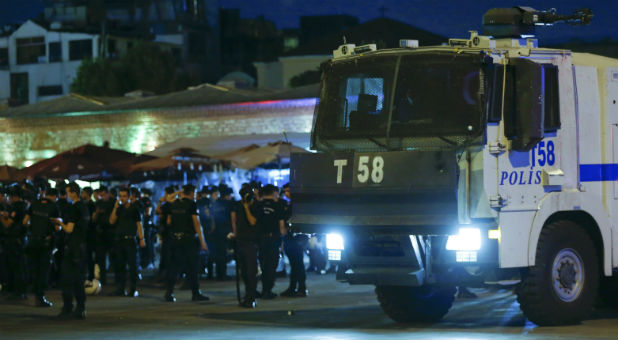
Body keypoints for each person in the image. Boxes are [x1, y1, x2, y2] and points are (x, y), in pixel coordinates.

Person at [164, 184, 209, 302]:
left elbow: (167, 200)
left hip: (175, 239)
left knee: (174, 267)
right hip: (188, 240)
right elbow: (197, 224)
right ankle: (196, 293)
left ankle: (169, 292)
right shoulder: (192, 205)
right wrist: (202, 241)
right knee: (192, 267)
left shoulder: (174, 203)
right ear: (192, 193)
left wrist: (179, 191)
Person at [54, 183, 90, 320]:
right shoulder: (85, 207)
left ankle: (68, 307)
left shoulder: (74, 208)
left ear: (74, 193)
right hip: (82, 247)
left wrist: (60, 223)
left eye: (68, 192)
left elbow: (69, 229)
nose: (67, 195)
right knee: (78, 280)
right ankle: (80, 308)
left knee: (67, 279)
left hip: (73, 247)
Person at [23, 188, 60, 307]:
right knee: (43, 270)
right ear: (54, 196)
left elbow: (25, 222)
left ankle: (33, 293)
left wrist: (33, 229)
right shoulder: (54, 207)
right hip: (45, 242)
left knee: (34, 268)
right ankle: (40, 297)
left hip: (33, 241)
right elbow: (57, 227)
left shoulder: (34, 204)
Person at [109, 187, 146, 297]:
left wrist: (141, 238)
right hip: (120, 240)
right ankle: (121, 288)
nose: (122, 198)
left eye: (124, 196)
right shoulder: (119, 208)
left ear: (129, 197)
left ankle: (133, 289)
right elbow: (111, 221)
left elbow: (139, 224)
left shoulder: (135, 209)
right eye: (120, 196)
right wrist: (115, 208)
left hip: (131, 240)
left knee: (132, 266)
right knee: (120, 266)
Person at [254, 184, 286, 300]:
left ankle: (262, 289)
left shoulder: (258, 205)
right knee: (271, 265)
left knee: (263, 264)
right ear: (274, 193)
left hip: (260, 239)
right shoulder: (277, 205)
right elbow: (281, 224)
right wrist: (283, 235)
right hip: (273, 239)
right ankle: (267, 290)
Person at [229, 184, 259, 308]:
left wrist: (247, 207)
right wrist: (235, 235)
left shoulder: (255, 206)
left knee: (251, 271)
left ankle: (251, 297)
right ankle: (247, 294)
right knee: (244, 272)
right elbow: (233, 221)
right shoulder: (236, 205)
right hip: (240, 240)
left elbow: (252, 221)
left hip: (251, 242)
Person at [279, 183, 308, 298]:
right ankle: (294, 287)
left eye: (288, 190)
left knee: (298, 264)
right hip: (291, 239)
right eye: (285, 191)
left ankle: (301, 288)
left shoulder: (297, 206)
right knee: (295, 264)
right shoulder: (290, 204)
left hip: (296, 238)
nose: (287, 193)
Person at [0, 186, 28, 299]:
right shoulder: (24, 206)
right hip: (21, 239)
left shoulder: (16, 207)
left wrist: (1, 217)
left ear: (13, 196)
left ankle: (18, 292)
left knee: (16, 267)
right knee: (19, 266)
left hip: (15, 240)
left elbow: (8, 224)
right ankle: (20, 291)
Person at [93, 186, 116, 285]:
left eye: (103, 195)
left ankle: (117, 278)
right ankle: (103, 279)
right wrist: (97, 213)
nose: (102, 197)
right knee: (101, 257)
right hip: (100, 233)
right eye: (100, 195)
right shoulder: (98, 203)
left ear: (107, 193)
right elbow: (94, 218)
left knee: (114, 256)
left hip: (111, 232)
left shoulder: (113, 202)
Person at [210, 186, 233, 280]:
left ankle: (218, 274)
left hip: (215, 232)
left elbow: (211, 218)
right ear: (227, 195)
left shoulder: (215, 203)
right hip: (225, 232)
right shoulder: (228, 204)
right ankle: (222, 274)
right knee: (223, 254)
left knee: (218, 253)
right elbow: (231, 218)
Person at [81, 187, 97, 282]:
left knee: (89, 256)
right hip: (87, 233)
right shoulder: (85, 204)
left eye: (83, 193)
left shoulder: (91, 205)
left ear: (87, 194)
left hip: (90, 234)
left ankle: (90, 276)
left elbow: (93, 219)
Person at [139, 188, 155, 270]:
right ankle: (146, 262)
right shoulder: (145, 201)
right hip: (146, 227)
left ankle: (149, 262)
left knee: (148, 245)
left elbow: (148, 214)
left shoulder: (147, 201)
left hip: (147, 227)